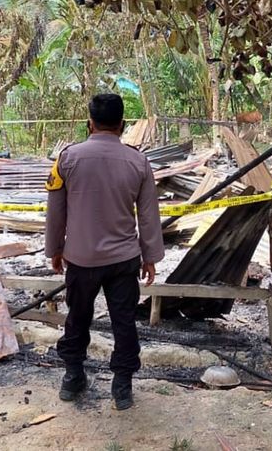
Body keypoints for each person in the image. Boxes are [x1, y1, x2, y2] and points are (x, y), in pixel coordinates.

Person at [44, 94, 164, 410]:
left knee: (77, 318)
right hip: (123, 261)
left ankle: (73, 377)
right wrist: (150, 256)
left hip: (80, 259)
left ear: (90, 123)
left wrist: (55, 248)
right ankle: (122, 386)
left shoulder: (67, 159)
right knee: (123, 322)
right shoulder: (138, 162)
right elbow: (149, 215)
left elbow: (55, 211)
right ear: (122, 125)